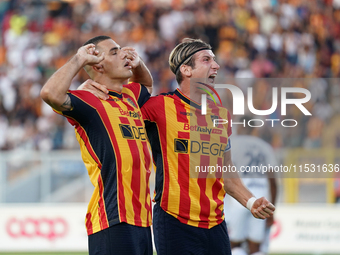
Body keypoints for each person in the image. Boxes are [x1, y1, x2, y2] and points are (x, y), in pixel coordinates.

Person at [81, 38, 275, 255]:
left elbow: (226, 171)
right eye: (206, 60)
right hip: (174, 222)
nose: (216, 65)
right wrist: (90, 87)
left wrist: (250, 201)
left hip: (216, 224)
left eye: (215, 60)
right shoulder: (158, 107)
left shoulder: (221, 116)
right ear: (186, 69)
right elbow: (116, 107)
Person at [40, 35, 154, 255]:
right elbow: (49, 93)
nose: (124, 54)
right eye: (114, 52)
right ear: (98, 65)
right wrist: (79, 59)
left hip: (142, 220)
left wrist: (139, 65)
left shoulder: (130, 96)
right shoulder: (88, 100)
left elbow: (146, 84)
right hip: (112, 218)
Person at [224, 116, 277, 255]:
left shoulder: (231, 143)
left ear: (239, 127)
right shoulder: (265, 146)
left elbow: (224, 173)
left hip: (239, 195)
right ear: (254, 128)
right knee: (256, 247)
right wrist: (272, 211)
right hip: (261, 197)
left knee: (234, 243)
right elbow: (272, 180)